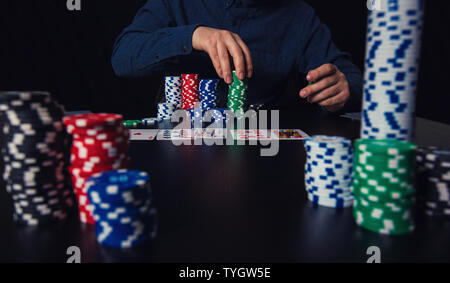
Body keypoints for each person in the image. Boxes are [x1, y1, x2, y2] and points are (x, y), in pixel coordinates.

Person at [111, 0, 363, 113]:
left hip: (257, 156)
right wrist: (192, 37)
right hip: (181, 145)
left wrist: (345, 89)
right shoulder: (175, 1)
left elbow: (352, 79)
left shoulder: (299, 16)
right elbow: (123, 57)